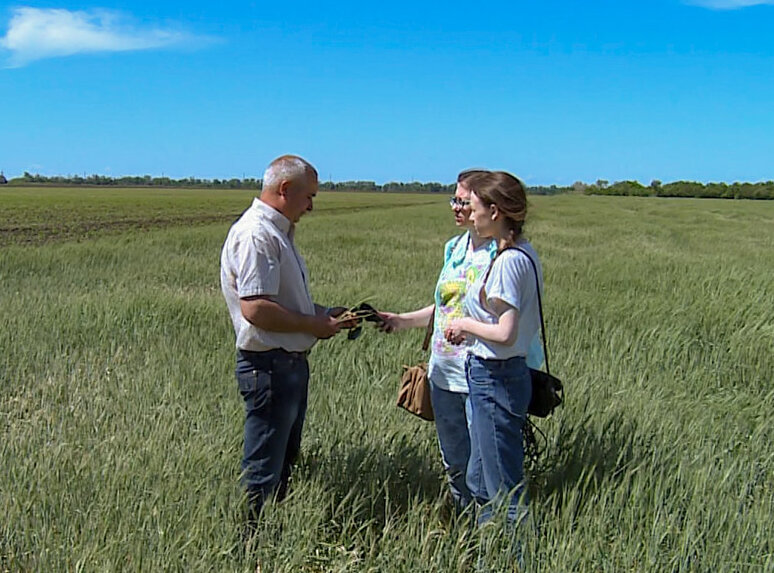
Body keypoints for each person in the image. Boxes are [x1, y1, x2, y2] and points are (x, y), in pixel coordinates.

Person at [220, 154, 354, 521]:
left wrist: (324, 314)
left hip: (286, 366)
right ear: (284, 189)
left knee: (283, 462)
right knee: (264, 469)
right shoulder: (257, 234)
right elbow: (256, 308)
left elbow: (279, 300)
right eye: (309, 196)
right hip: (269, 367)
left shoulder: (277, 232)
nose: (311, 206)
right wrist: (312, 326)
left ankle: (274, 531)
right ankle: (252, 541)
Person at [379, 169, 497, 512]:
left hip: (481, 374)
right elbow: (445, 307)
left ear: (486, 205)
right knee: (454, 459)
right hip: (442, 373)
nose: (456, 208)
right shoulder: (454, 248)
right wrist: (401, 320)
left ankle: (490, 529)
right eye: (454, 200)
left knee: (484, 465)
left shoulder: (501, 252)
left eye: (464, 201)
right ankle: (464, 523)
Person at [444, 170, 543, 528]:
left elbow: (505, 333)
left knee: (504, 488)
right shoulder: (522, 253)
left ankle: (519, 552)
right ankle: (488, 547)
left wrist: (464, 326)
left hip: (495, 377)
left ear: (495, 211)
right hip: (499, 375)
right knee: (480, 479)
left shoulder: (508, 262)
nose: (469, 215)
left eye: (474, 208)